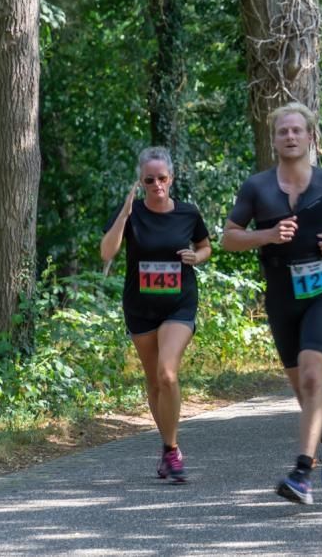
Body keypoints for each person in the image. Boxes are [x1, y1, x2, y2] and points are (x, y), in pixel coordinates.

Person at [221, 103, 322, 505]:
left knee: (311, 378)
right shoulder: (257, 188)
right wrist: (267, 236)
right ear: (274, 139)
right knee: (305, 392)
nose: (290, 136)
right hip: (280, 295)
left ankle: (301, 474)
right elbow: (228, 237)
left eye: (297, 131)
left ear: (310, 137)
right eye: (283, 131)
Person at [100, 147, 211, 484]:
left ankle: (173, 449)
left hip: (179, 303)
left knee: (167, 374)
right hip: (140, 306)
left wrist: (197, 256)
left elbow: (206, 246)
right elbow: (107, 252)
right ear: (141, 181)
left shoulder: (188, 213)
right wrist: (124, 212)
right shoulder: (131, 214)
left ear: (171, 178)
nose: (157, 184)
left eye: (162, 178)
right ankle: (167, 448)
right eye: (149, 180)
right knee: (152, 382)